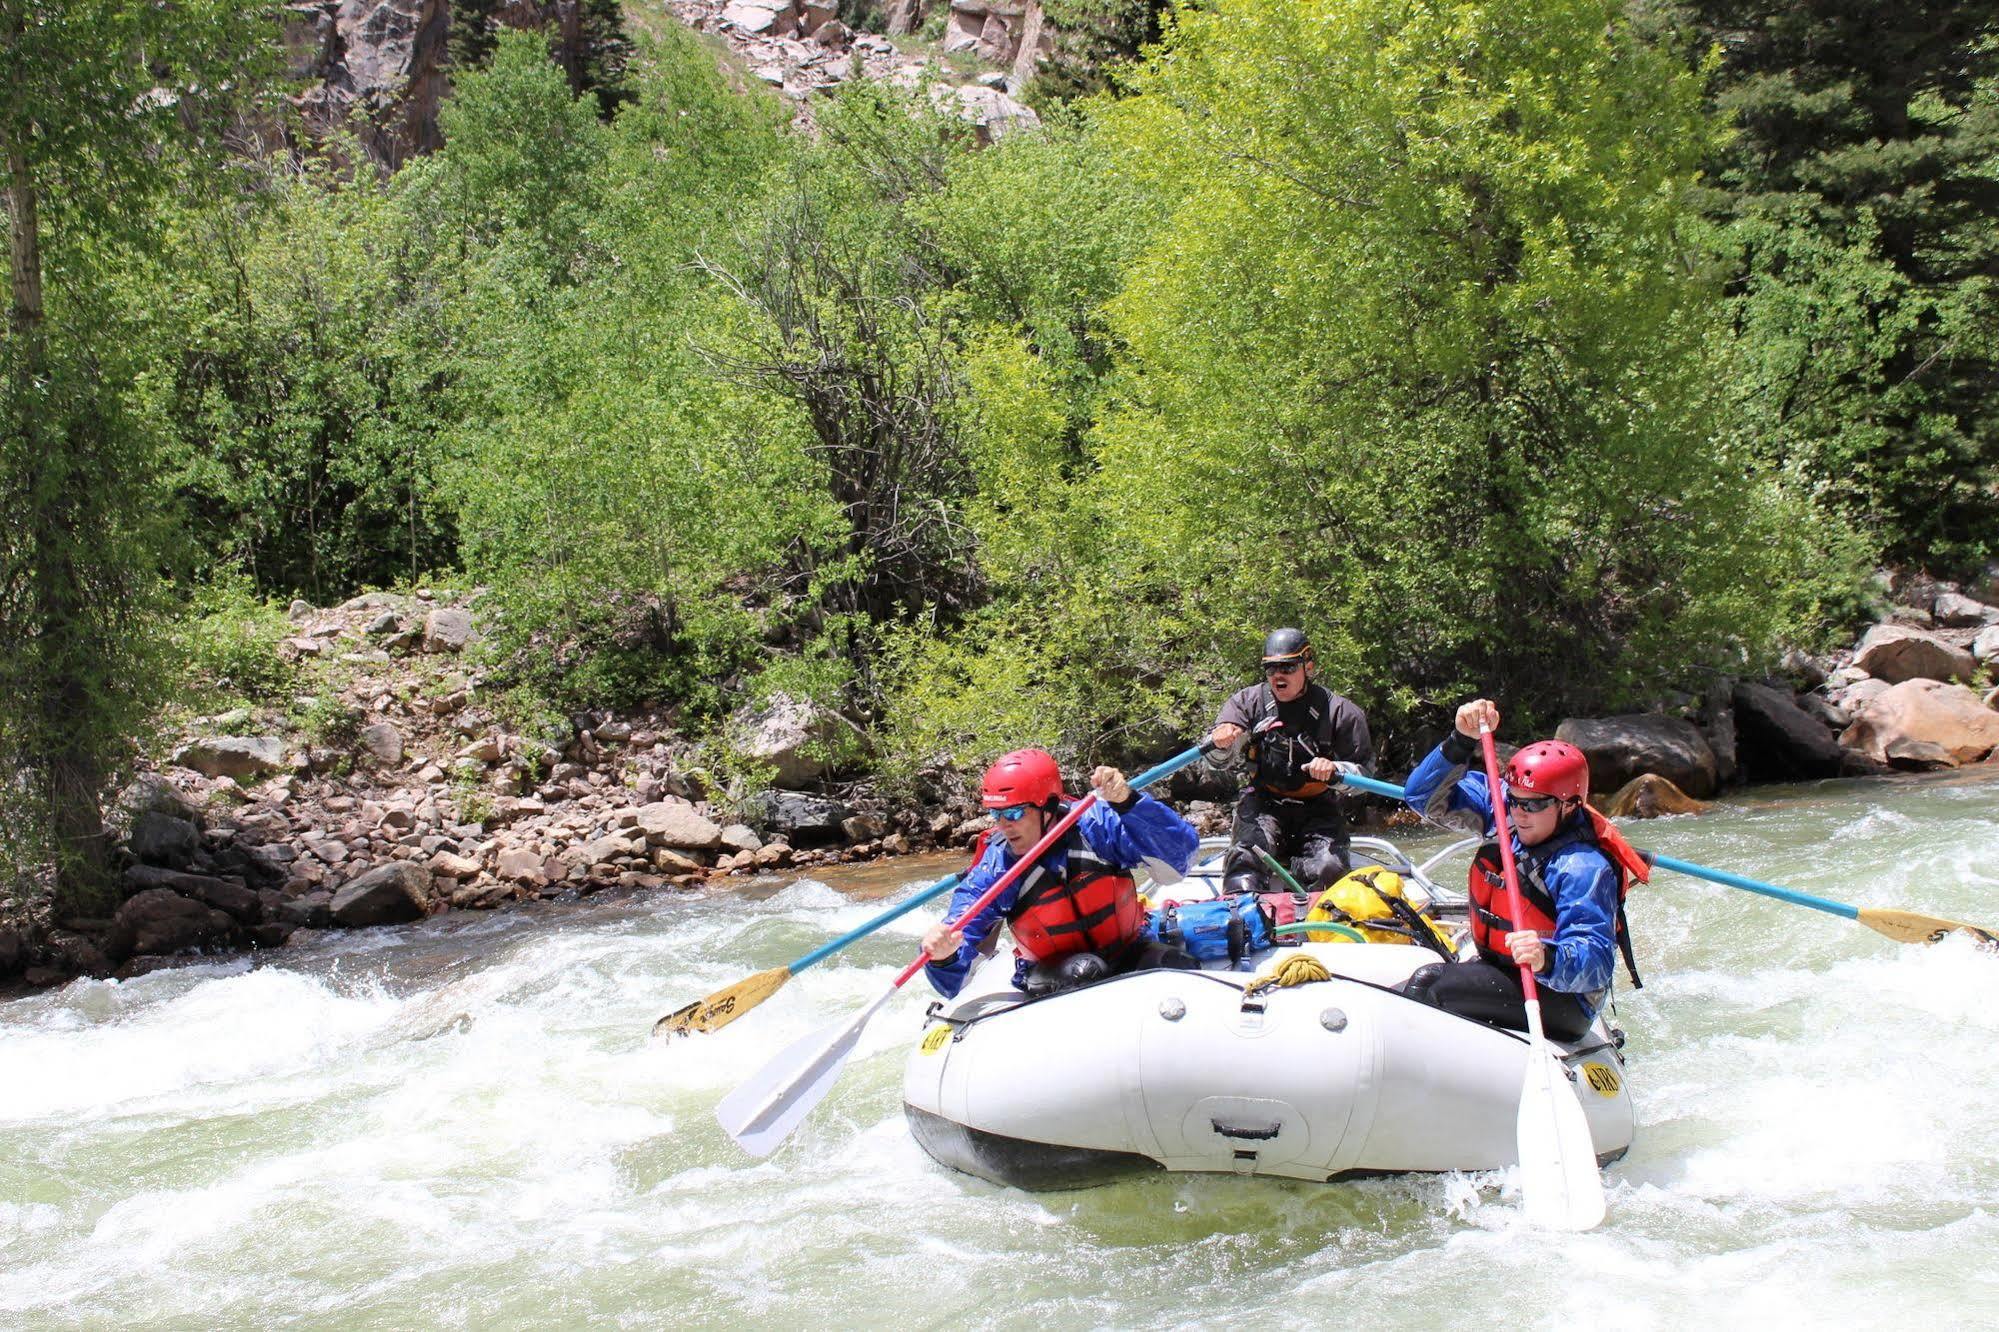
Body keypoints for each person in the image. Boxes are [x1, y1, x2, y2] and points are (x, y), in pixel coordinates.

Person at [1398, 698, 1646, 1041]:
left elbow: (1597, 963)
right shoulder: (1503, 812)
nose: (1519, 812)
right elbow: (1421, 798)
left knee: (1429, 984)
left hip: (1561, 997)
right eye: (1514, 800)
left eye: (1533, 804)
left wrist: (1546, 957)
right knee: (1398, 988)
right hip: (1501, 968)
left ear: (1569, 805)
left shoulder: (1581, 867)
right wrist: (1460, 741)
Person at [921, 749, 1200, 1000]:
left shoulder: (1096, 825)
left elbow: (1179, 862)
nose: (1004, 826)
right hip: (1055, 972)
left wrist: (1128, 802)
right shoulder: (996, 868)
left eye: (1015, 813)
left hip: (1126, 948)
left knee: (1178, 963)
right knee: (1086, 971)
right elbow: (954, 977)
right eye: (996, 815)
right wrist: (944, 957)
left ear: (1050, 807)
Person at [1208, 627, 1375, 898]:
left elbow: (1364, 777)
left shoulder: (1342, 712)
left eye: (1287, 667)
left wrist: (1336, 772)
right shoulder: (1246, 703)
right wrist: (1221, 743)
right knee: (1243, 867)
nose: (1278, 675)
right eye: (1271, 669)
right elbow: (1217, 761)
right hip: (1264, 804)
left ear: (1308, 667)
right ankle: (1246, 924)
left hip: (1319, 808)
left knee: (1327, 871)